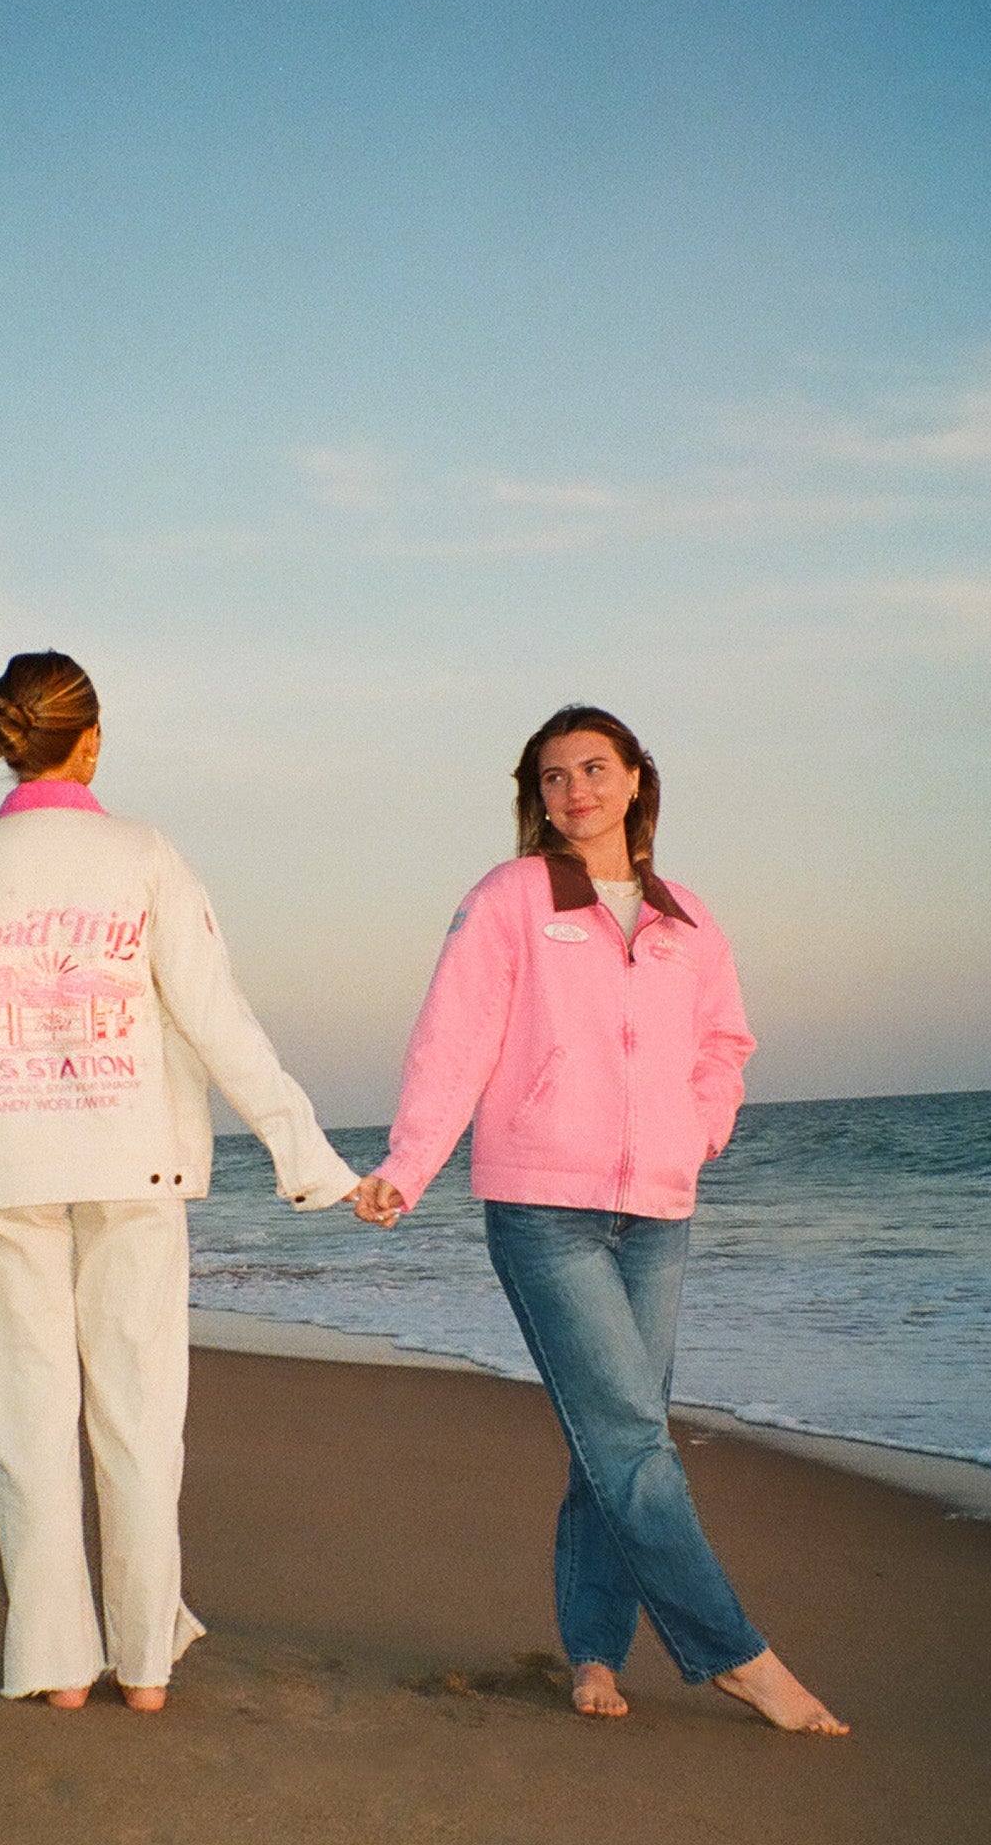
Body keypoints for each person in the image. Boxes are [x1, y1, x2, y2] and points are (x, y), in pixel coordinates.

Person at [0, 651, 357, 1712]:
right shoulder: (143, 854)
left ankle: (56, 1668)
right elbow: (213, 1014)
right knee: (140, 1413)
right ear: (90, 740)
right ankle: (142, 1665)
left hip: (4, 1169)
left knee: (26, 1416)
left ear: (8, 742)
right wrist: (304, 1153)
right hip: (134, 1160)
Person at [353, 705, 847, 1735]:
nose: (574, 791)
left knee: (611, 1440)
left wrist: (697, 1131)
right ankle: (737, 1657)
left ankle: (591, 1654)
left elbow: (726, 1043)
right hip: (543, 1208)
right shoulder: (509, 900)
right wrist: (408, 1164)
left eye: (593, 769)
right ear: (536, 799)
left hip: (657, 1209)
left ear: (634, 780)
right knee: (630, 1441)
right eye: (552, 778)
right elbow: (454, 1043)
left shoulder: (687, 917)